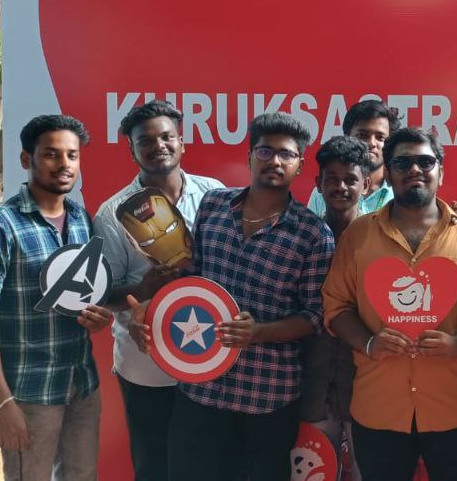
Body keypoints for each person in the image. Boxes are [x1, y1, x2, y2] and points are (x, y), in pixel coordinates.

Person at [132, 112, 334, 481]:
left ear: (300, 165)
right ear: (249, 156)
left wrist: (259, 333)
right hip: (200, 392)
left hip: (267, 398)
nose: (275, 161)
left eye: (286, 154)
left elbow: (314, 317)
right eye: (265, 151)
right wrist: (151, 310)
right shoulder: (213, 205)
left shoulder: (314, 234)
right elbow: (191, 280)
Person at [322, 127, 457, 481]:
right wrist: (369, 343)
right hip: (379, 406)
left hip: (456, 405)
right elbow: (336, 307)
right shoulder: (358, 236)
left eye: (425, 161)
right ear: (388, 172)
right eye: (402, 162)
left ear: (441, 170)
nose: (414, 170)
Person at [0, 114, 115, 481]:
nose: (64, 164)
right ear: (26, 159)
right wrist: (1, 403)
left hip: (82, 382)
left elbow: (84, 296)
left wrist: (100, 317)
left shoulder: (80, 218)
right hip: (28, 392)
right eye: (51, 154)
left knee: (83, 476)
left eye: (72, 155)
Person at [91, 101, 224, 481]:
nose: (158, 146)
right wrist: (143, 288)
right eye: (145, 141)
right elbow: (102, 295)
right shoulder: (113, 213)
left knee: (209, 466)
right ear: (131, 149)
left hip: (210, 359)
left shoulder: (214, 195)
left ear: (182, 142)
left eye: (167, 137)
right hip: (147, 365)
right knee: (154, 467)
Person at [300, 135, 375, 480]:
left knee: (364, 472)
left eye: (350, 179)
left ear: (367, 184)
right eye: (332, 178)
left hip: (366, 386)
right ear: (318, 183)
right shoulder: (304, 237)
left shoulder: (381, 240)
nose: (341, 187)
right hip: (312, 386)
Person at [307, 99, 457, 224]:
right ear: (347, 136)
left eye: (380, 137)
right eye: (363, 135)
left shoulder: (403, 187)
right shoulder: (324, 191)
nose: (371, 143)